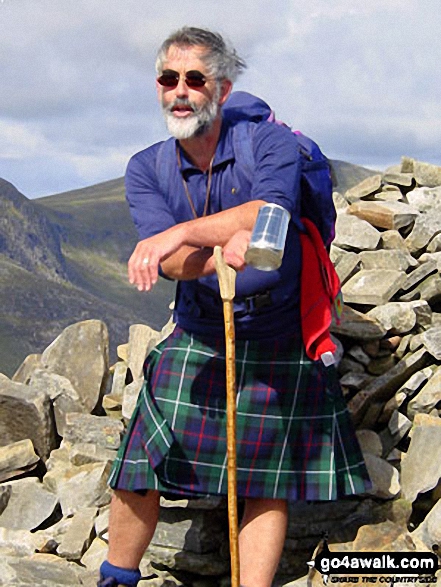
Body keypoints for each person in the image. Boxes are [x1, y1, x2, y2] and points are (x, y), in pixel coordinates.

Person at [98, 26, 370, 587]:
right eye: (168, 78)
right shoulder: (145, 168)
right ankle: (115, 579)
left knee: (264, 482)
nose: (180, 90)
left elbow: (268, 213)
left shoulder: (269, 144)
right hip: (200, 329)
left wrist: (183, 234)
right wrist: (218, 243)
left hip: (280, 328)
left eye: (195, 79)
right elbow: (170, 266)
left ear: (220, 88)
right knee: (140, 461)